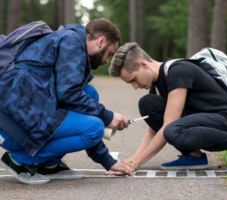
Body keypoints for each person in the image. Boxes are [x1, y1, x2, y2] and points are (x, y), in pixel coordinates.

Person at [0, 18, 131, 184]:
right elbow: (69, 94)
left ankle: (49, 164)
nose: (106, 61)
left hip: (28, 103)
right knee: (94, 128)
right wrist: (108, 117)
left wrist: (108, 161)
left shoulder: (71, 39)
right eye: (109, 54)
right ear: (101, 41)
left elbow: (72, 94)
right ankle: (19, 160)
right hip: (13, 116)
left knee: (90, 94)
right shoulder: (72, 42)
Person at [108, 42, 227, 174]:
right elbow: (153, 129)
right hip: (203, 119)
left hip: (226, 121)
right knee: (147, 104)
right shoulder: (156, 86)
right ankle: (194, 156)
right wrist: (133, 158)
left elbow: (168, 126)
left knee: (172, 130)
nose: (135, 87)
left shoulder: (177, 71)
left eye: (133, 80)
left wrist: (136, 164)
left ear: (143, 64)